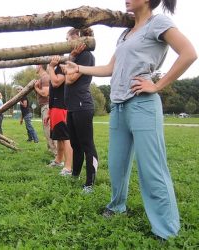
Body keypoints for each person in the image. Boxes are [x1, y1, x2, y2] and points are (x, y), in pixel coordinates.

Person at [62, 0, 196, 240]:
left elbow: (189, 54)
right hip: (119, 105)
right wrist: (79, 69)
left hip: (143, 104)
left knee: (151, 168)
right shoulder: (125, 34)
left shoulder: (159, 23)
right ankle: (117, 206)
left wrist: (157, 85)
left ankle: (166, 229)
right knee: (116, 164)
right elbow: (111, 67)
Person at [64, 27, 99, 194]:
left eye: (69, 39)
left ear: (78, 38)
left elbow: (70, 79)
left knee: (86, 145)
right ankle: (75, 175)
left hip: (82, 105)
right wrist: (70, 59)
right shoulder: (75, 57)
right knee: (75, 144)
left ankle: (90, 183)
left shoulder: (85, 55)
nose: (67, 43)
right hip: (72, 106)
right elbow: (67, 74)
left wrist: (70, 62)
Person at [45, 57, 73, 176]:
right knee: (59, 137)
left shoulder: (62, 68)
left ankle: (68, 167)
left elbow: (56, 83)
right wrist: (49, 112)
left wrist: (50, 67)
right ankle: (58, 161)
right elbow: (52, 91)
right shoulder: (56, 69)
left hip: (61, 107)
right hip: (54, 107)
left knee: (65, 137)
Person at [34, 64, 57, 156]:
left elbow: (45, 93)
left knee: (49, 130)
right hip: (44, 106)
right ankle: (52, 151)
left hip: (47, 106)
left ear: (40, 66)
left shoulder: (45, 77)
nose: (35, 67)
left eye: (36, 65)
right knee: (46, 130)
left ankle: (57, 154)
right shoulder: (42, 78)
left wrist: (35, 88)